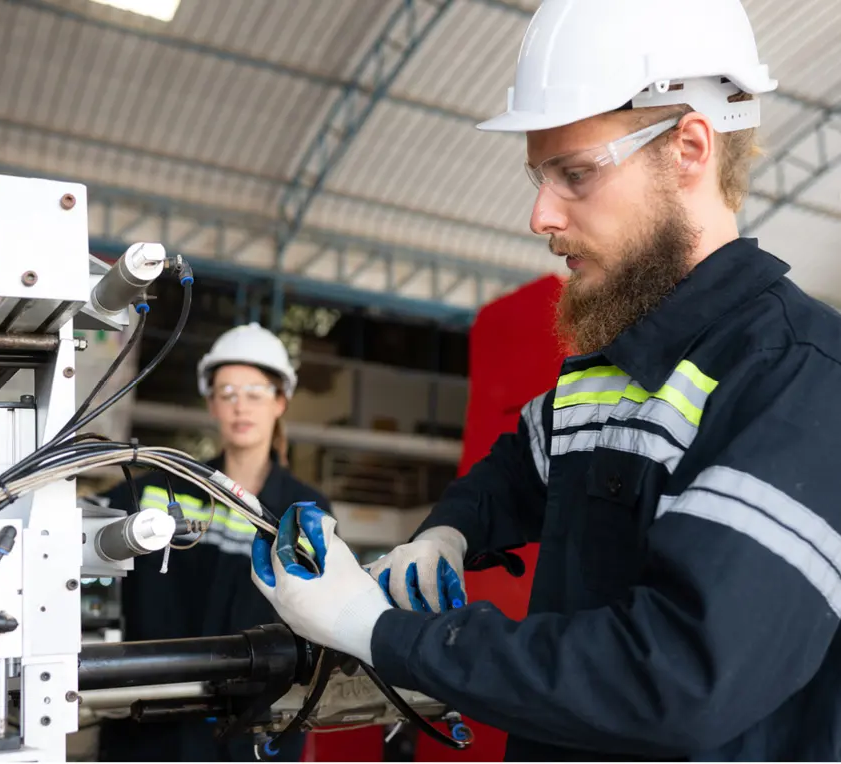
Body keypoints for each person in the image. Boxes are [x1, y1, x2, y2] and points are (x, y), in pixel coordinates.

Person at [249, 0, 841, 760]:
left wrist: (382, 631)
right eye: (538, 175)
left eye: (575, 173)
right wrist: (450, 532)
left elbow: (672, 678)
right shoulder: (612, 363)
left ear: (689, 147)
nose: (539, 214)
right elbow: (519, 468)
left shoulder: (801, 381)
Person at [97, 322, 330, 762]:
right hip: (150, 722)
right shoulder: (160, 489)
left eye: (256, 391)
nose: (241, 406)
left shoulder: (304, 511)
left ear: (280, 401)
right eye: (227, 392)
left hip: (251, 728)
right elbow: (80, 526)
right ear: (211, 403)